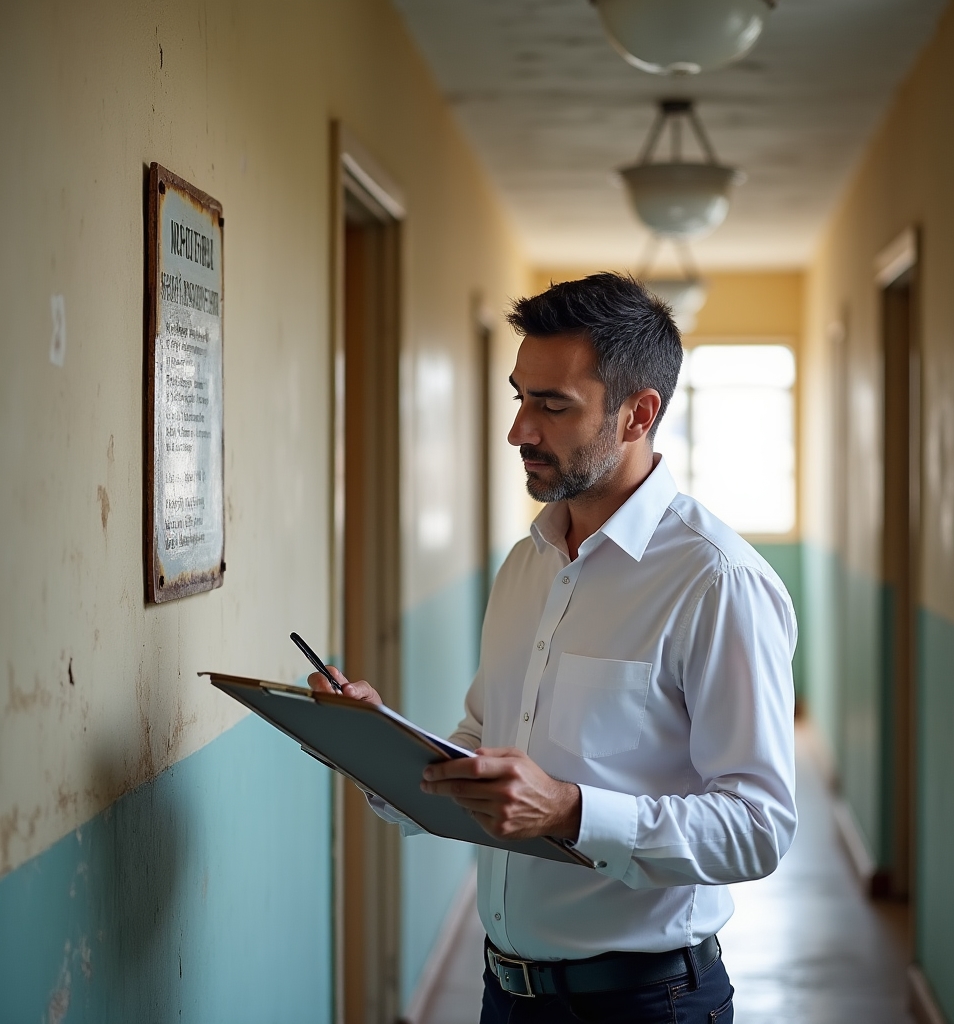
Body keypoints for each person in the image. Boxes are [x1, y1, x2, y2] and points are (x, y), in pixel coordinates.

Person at [311, 273, 798, 1024]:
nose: (519, 431)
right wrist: (373, 743)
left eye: (553, 405)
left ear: (640, 414)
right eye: (520, 396)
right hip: (504, 996)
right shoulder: (527, 563)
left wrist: (572, 812)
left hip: (648, 1005)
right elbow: (483, 744)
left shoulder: (717, 581)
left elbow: (758, 826)